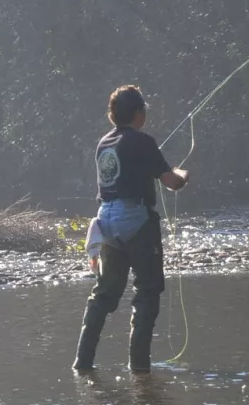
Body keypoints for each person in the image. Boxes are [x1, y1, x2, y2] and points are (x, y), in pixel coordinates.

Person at [73, 85, 189, 372]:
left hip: (106, 221)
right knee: (147, 292)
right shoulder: (143, 142)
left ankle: (82, 363)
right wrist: (183, 173)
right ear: (138, 113)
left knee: (104, 294)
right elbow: (173, 183)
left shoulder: (103, 143)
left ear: (113, 115)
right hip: (135, 218)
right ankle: (139, 368)